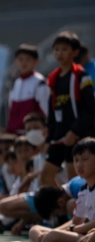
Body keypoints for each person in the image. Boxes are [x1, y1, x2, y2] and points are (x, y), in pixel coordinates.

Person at [40, 31, 95, 187]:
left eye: (64, 49)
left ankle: (79, 203)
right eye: (56, 49)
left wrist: (75, 131)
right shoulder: (53, 78)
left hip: (77, 137)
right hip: (59, 136)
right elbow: (52, 109)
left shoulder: (81, 76)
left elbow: (90, 108)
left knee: (76, 179)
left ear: (75, 52)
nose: (60, 53)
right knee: (45, 177)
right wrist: (49, 135)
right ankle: (62, 201)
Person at [35, 138, 95, 242]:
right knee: (35, 230)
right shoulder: (83, 190)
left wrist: (73, 229)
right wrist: (68, 230)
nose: (79, 164)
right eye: (76, 160)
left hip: (90, 234)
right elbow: (76, 221)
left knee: (53, 236)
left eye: (85, 159)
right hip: (87, 234)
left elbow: (79, 226)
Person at [6, 44, 49, 134]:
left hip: (33, 134)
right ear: (16, 62)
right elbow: (11, 111)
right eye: (20, 59)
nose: (24, 63)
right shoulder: (15, 83)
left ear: (36, 62)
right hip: (15, 134)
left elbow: (46, 111)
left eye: (28, 59)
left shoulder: (39, 82)